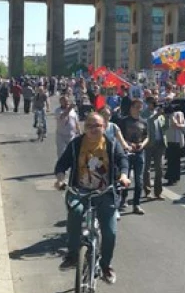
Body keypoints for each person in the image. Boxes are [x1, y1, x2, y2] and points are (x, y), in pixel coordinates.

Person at [54, 112, 130, 284]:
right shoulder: (76, 144)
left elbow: (122, 160)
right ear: (84, 128)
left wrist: (124, 176)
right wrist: (60, 179)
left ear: (104, 127)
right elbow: (62, 164)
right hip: (80, 191)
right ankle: (73, 255)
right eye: (89, 125)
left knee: (110, 232)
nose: (93, 129)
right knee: (75, 212)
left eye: (97, 125)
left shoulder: (111, 144)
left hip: (105, 193)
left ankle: (105, 266)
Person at [115, 98, 148, 215]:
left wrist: (142, 145)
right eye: (137, 106)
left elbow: (147, 136)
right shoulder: (124, 121)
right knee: (125, 178)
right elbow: (119, 137)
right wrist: (129, 144)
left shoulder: (144, 122)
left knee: (139, 180)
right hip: (126, 153)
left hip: (140, 153)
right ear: (131, 108)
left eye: (141, 107)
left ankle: (136, 204)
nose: (140, 109)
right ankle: (123, 199)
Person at [143, 96, 167, 200]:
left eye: (156, 102)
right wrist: (157, 115)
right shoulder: (144, 113)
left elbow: (165, 127)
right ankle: (148, 191)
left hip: (159, 143)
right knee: (146, 169)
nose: (155, 104)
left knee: (159, 168)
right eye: (153, 102)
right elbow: (147, 122)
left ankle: (158, 192)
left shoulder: (160, 115)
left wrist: (167, 117)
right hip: (149, 144)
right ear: (148, 103)